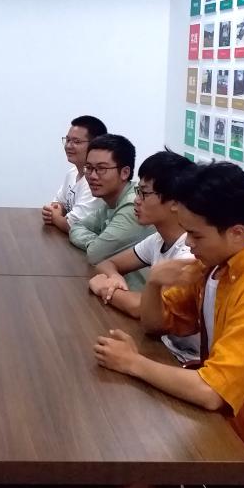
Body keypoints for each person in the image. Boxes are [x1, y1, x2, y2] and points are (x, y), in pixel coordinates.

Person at [92, 162, 244, 488]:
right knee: (127, 445)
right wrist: (154, 283)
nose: (189, 246)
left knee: (134, 463)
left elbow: (212, 393)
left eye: (196, 236)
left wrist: (133, 362)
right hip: (223, 431)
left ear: (236, 232)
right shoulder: (215, 267)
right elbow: (155, 324)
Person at [87, 151, 199, 361]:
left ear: (175, 202)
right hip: (165, 346)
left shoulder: (191, 251)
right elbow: (106, 263)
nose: (136, 201)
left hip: (186, 361)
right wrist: (114, 277)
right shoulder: (158, 239)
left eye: (144, 194)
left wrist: (103, 287)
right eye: (138, 191)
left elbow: (142, 309)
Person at [68, 134, 153, 273]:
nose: (92, 176)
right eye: (88, 167)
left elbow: (95, 254)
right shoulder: (111, 200)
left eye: (101, 169)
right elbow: (77, 226)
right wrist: (95, 242)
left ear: (125, 172)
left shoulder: (133, 204)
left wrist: (97, 245)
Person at [42, 115, 107, 234]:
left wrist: (55, 217)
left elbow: (73, 226)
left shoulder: (96, 182)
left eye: (76, 142)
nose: (68, 146)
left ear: (95, 144)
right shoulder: (72, 173)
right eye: (67, 140)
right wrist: (54, 211)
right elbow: (58, 203)